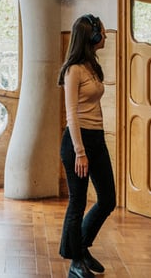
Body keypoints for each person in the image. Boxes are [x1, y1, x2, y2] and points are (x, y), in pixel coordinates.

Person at [58, 14, 115, 278]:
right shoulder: (74, 70)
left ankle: (80, 246)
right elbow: (71, 114)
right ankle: (76, 260)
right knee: (78, 202)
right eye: (102, 31)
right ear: (91, 36)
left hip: (96, 139)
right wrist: (80, 152)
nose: (105, 35)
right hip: (76, 142)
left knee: (108, 199)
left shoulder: (92, 65)